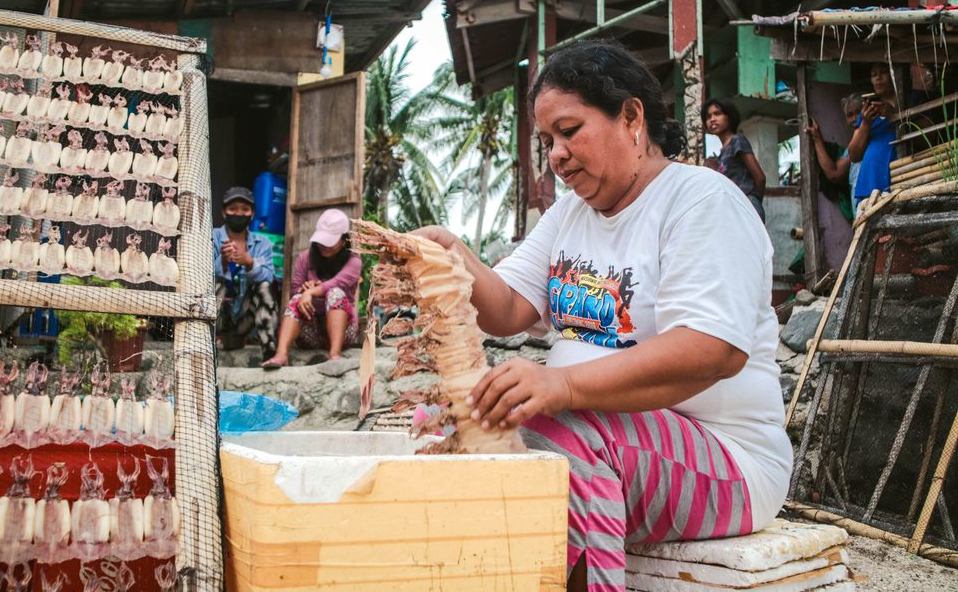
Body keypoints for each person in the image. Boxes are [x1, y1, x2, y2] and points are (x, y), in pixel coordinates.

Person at [416, 40, 791, 592]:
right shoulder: (570, 212)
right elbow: (509, 308)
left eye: (570, 130)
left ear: (632, 115)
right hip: (606, 435)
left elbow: (712, 349)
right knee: (450, 427)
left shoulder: (700, 201)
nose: (557, 154)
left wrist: (561, 384)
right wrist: (450, 254)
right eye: (548, 141)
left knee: (557, 437)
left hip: (728, 462)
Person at [263, 209, 361, 368]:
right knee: (296, 299)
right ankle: (281, 355)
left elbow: (337, 283)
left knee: (335, 293)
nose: (324, 246)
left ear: (344, 241)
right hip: (311, 335)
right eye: (322, 240)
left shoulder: (354, 261)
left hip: (344, 335)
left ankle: (335, 354)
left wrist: (312, 290)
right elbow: (295, 291)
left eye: (331, 241)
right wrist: (303, 292)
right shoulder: (305, 258)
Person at [213, 186, 277, 360]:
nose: (239, 214)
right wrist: (223, 262)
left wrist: (250, 263)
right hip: (216, 317)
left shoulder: (262, 243)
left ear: (252, 214)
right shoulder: (212, 237)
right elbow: (198, 275)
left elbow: (269, 277)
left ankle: (269, 351)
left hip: (244, 319)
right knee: (216, 284)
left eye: (245, 209)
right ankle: (208, 341)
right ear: (224, 213)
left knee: (264, 286)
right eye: (233, 209)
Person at [703, 97, 767, 221]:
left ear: (730, 116)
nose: (712, 119)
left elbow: (760, 177)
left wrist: (753, 201)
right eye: (708, 116)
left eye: (717, 114)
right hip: (733, 207)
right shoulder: (722, 152)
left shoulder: (737, 140)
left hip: (746, 205)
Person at [848, 63, 898, 209]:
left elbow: (930, 137)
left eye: (883, 72)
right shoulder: (868, 110)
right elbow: (854, 155)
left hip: (902, 178)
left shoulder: (911, 99)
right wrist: (865, 123)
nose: (878, 78)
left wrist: (895, 115)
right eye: (874, 74)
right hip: (871, 183)